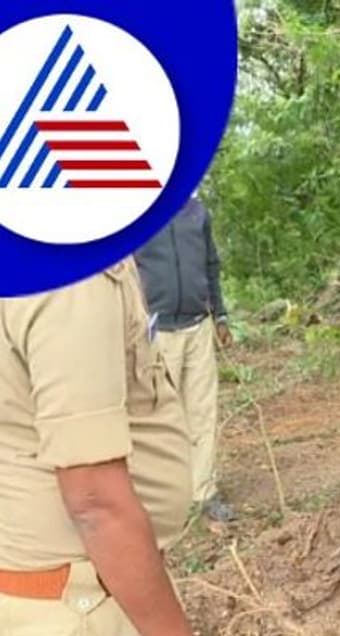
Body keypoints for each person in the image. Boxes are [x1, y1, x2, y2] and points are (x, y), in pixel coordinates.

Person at [0, 257, 237, 636]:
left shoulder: (0, 257)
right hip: (80, 605)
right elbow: (94, 500)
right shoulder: (69, 281)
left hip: (89, 587)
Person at [134, 193, 236, 522]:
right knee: (159, 415)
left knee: (203, 411)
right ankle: (159, 499)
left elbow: (211, 265)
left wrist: (220, 315)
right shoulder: (137, 212)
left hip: (198, 325)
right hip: (157, 330)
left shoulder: (196, 211)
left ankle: (204, 491)